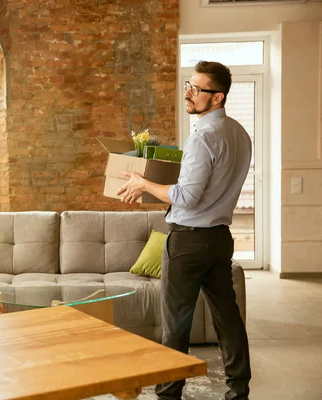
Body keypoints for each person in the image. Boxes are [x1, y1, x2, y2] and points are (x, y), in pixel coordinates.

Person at [117, 60, 252, 400]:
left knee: (175, 322)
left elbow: (186, 197)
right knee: (228, 318)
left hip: (188, 242)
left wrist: (142, 181)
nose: (189, 93)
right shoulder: (239, 133)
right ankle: (239, 390)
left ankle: (168, 395)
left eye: (197, 89)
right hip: (220, 240)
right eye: (188, 86)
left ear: (217, 97)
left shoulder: (203, 138)